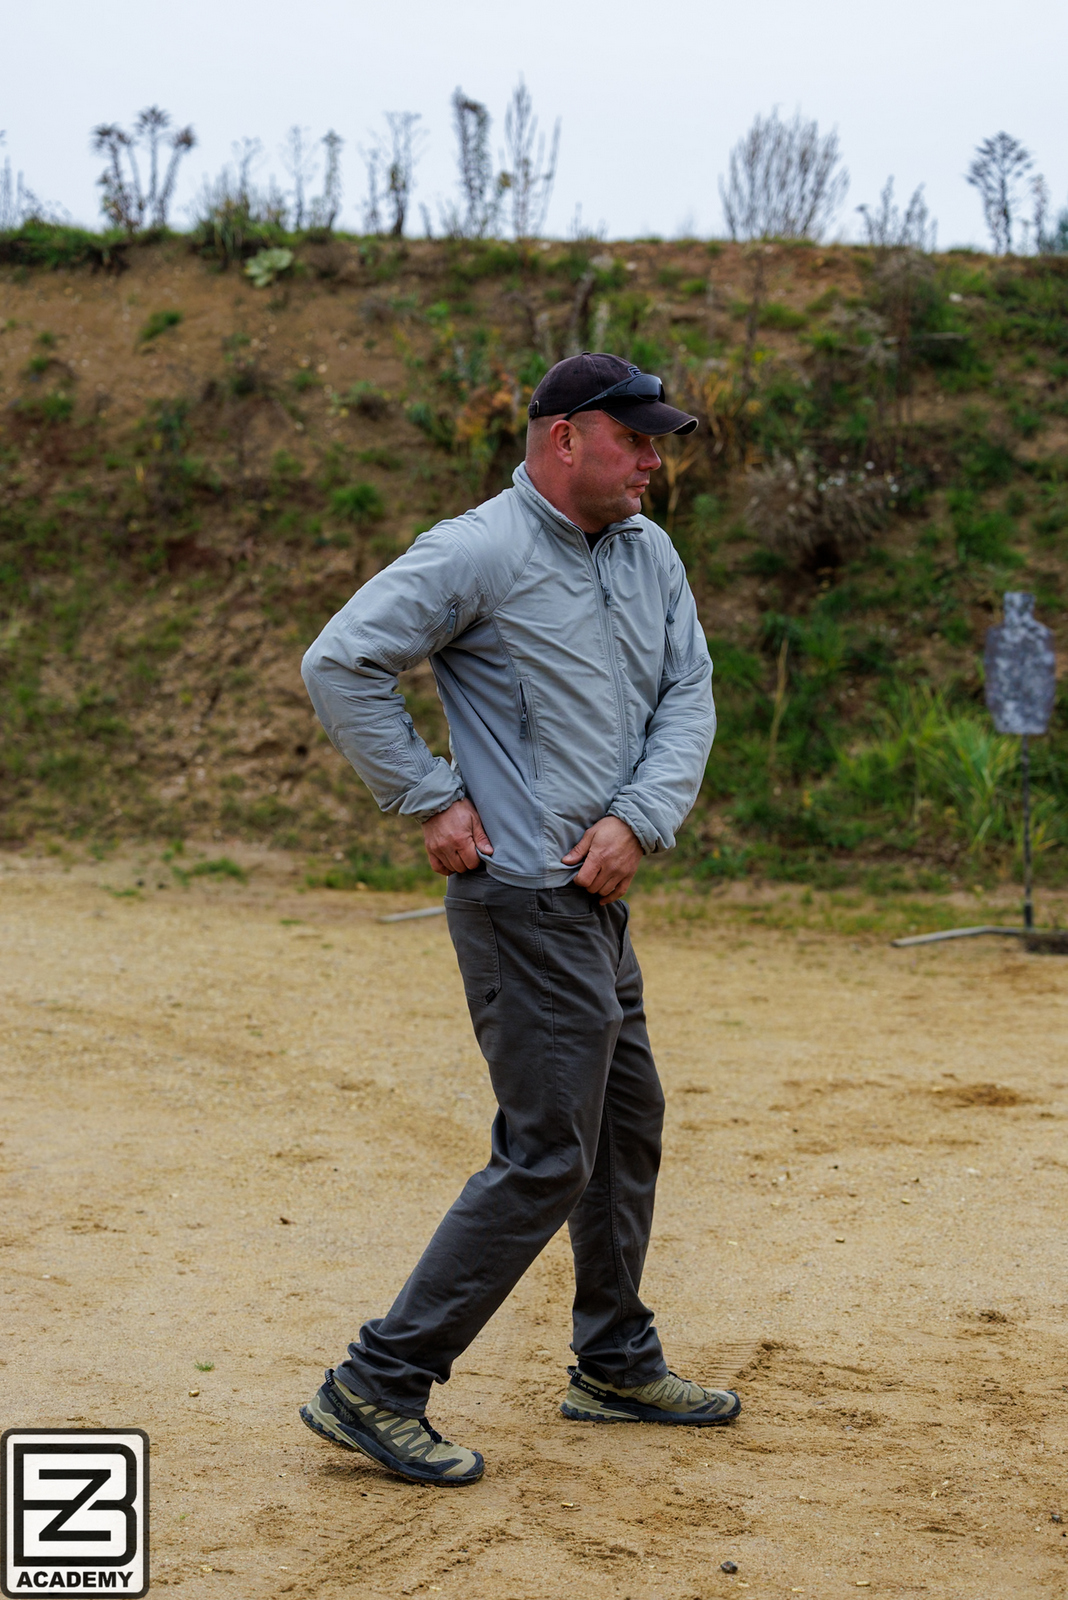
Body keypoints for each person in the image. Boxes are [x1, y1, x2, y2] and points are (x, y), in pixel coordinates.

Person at [298, 352, 739, 1487]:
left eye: (657, 441)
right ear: (564, 438)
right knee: (548, 1153)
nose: (652, 461)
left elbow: (689, 692)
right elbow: (341, 661)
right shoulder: (478, 550)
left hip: (597, 898)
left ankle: (614, 1362)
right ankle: (379, 1380)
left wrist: (639, 817)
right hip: (522, 901)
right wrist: (428, 794)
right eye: (634, 439)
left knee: (625, 1125)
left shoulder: (648, 552)